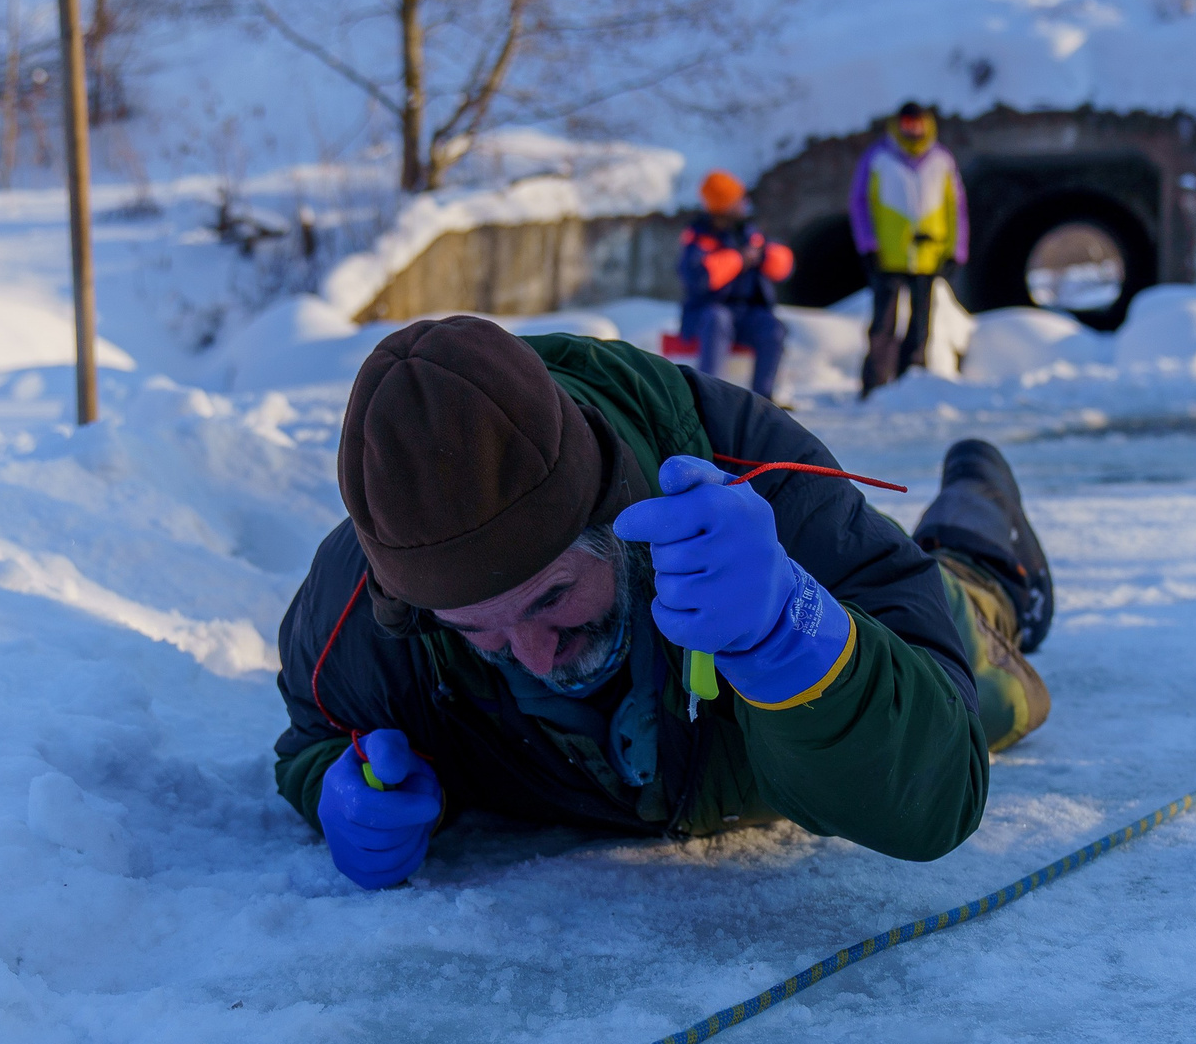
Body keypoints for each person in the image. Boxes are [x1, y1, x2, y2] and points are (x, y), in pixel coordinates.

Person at [273, 315, 1058, 889]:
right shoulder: (362, 605)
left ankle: (982, 521)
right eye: (479, 631)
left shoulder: (744, 471)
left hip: (809, 717)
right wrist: (337, 793)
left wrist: (789, 636)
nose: (538, 655)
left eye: (553, 596)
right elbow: (314, 735)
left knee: (992, 653)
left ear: (618, 515)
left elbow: (939, 790)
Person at [849, 100, 967, 397]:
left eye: (918, 123)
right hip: (887, 255)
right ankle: (875, 385)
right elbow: (859, 202)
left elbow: (956, 207)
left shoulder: (942, 159)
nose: (912, 129)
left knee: (920, 325)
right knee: (884, 324)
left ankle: (909, 383)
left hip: (929, 257)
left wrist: (956, 249)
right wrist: (867, 244)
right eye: (907, 123)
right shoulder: (877, 157)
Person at [676, 170, 794, 400]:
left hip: (746, 314)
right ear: (726, 205)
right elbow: (701, 278)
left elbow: (784, 267)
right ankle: (707, 395)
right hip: (706, 314)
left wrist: (764, 255)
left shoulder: (750, 233)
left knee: (772, 326)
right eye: (738, 199)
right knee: (717, 319)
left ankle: (763, 400)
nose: (744, 204)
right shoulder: (698, 236)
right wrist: (740, 259)